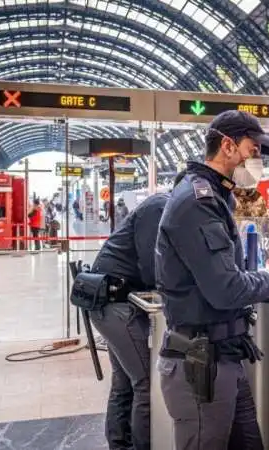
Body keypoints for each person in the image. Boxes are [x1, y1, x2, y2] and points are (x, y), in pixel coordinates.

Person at [155, 110, 269, 450]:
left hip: (222, 357)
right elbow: (225, 289)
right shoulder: (198, 202)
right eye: (253, 150)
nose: (257, 161)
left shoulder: (216, 195)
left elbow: (225, 275)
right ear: (227, 146)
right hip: (200, 366)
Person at [87, 173, 185, 450]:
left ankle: (119, 444)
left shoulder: (163, 207)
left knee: (125, 380)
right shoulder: (159, 207)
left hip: (112, 301)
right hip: (116, 304)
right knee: (145, 381)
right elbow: (152, 265)